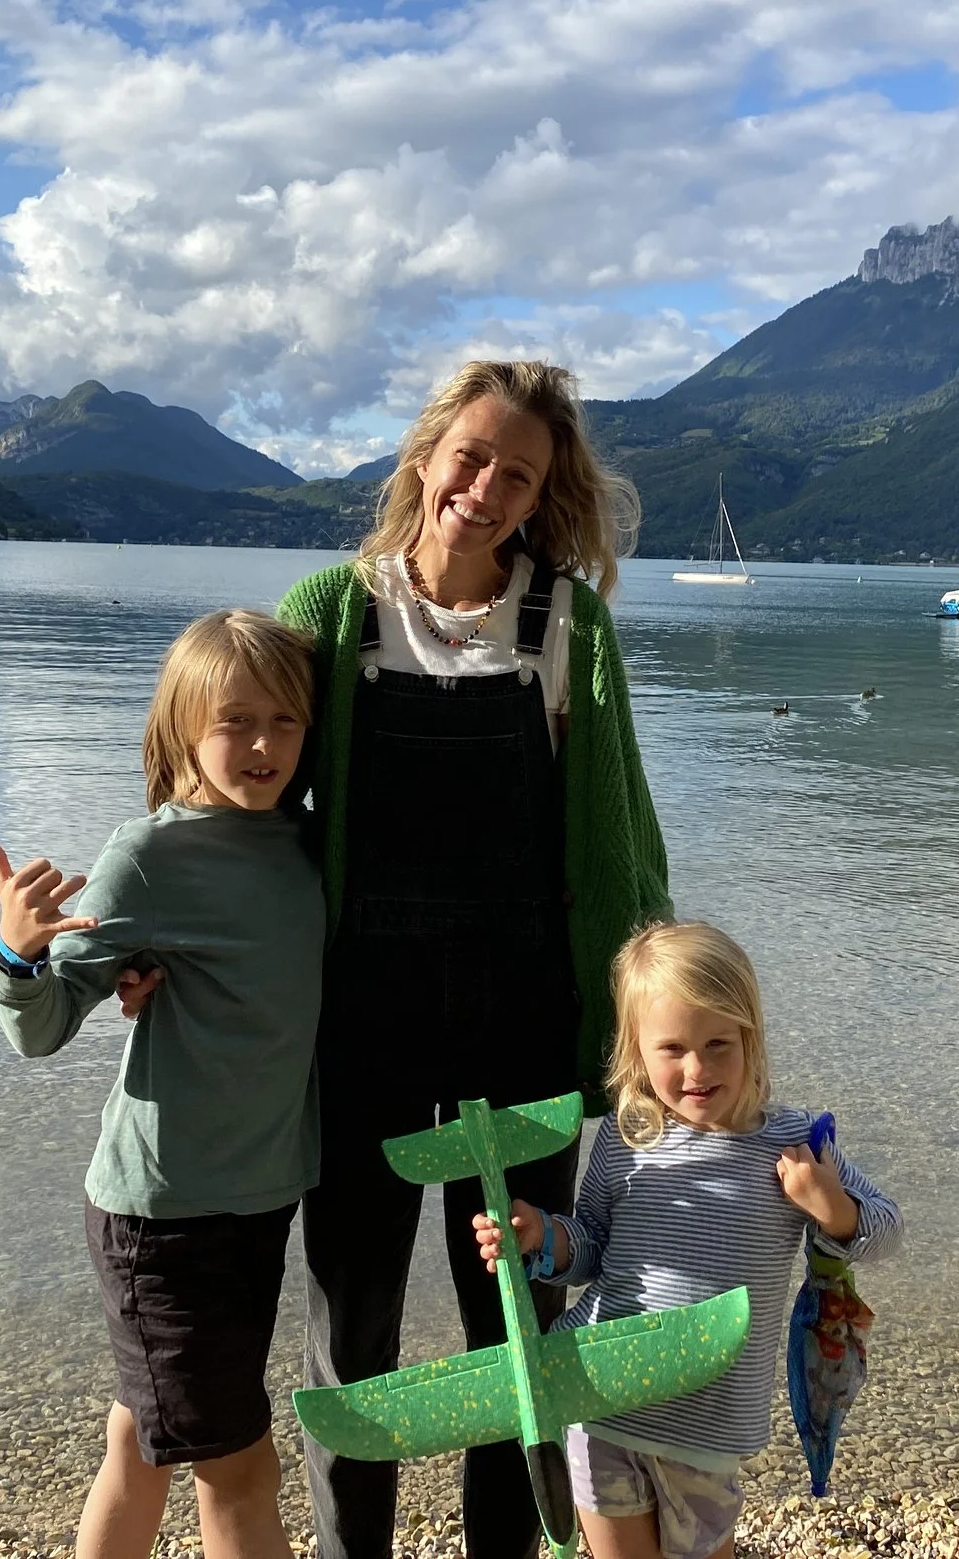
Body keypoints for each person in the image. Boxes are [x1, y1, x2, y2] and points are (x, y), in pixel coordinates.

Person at [276, 359, 671, 1559]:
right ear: (423, 457)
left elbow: (617, 832)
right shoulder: (331, 615)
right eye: (471, 458)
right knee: (355, 1337)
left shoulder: (565, 624)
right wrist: (165, 949)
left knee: (521, 1325)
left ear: (545, 494)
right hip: (363, 1023)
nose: (487, 487)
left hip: (523, 1017)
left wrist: (647, 1019)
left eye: (520, 473)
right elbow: (233, 798)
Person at [0, 608, 325, 1559]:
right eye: (235, 721)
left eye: (285, 721)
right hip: (162, 1217)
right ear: (183, 728)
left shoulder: (305, 845)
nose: (262, 745)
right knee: (242, 1471)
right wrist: (17, 951)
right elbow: (46, 1026)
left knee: (142, 1439)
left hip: (257, 1204)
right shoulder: (147, 857)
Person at [471, 923, 900, 1559]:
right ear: (636, 1051)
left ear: (751, 1038)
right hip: (601, 1402)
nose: (696, 1069)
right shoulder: (627, 1138)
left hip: (707, 1426)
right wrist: (542, 1238)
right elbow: (590, 1247)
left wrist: (831, 1207)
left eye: (718, 1044)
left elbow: (887, 1230)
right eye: (671, 1048)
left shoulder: (794, 1142)